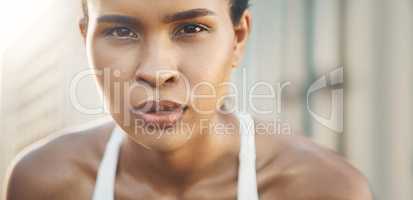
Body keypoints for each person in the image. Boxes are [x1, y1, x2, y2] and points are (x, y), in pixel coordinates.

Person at [5, 0, 373, 199]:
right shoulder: (46, 182)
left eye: (191, 28)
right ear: (85, 37)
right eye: (120, 30)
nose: (155, 70)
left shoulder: (320, 189)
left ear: (238, 36)